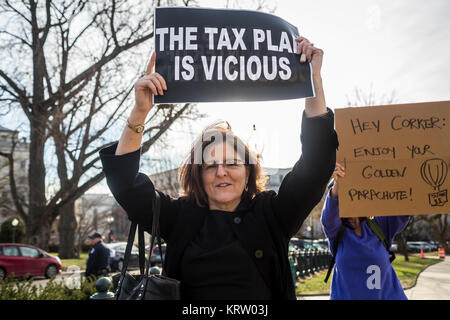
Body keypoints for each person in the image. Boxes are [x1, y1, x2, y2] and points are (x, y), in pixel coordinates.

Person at [99, 36, 338, 299]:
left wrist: (312, 79)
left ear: (248, 171)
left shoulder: (272, 214)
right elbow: (125, 185)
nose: (221, 172)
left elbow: (315, 165)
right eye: (210, 165)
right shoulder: (178, 216)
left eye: (232, 164)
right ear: (197, 175)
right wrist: (139, 111)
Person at [321, 163, 410, 300]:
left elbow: (403, 208)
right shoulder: (336, 231)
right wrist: (339, 183)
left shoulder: (379, 225)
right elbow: (330, 214)